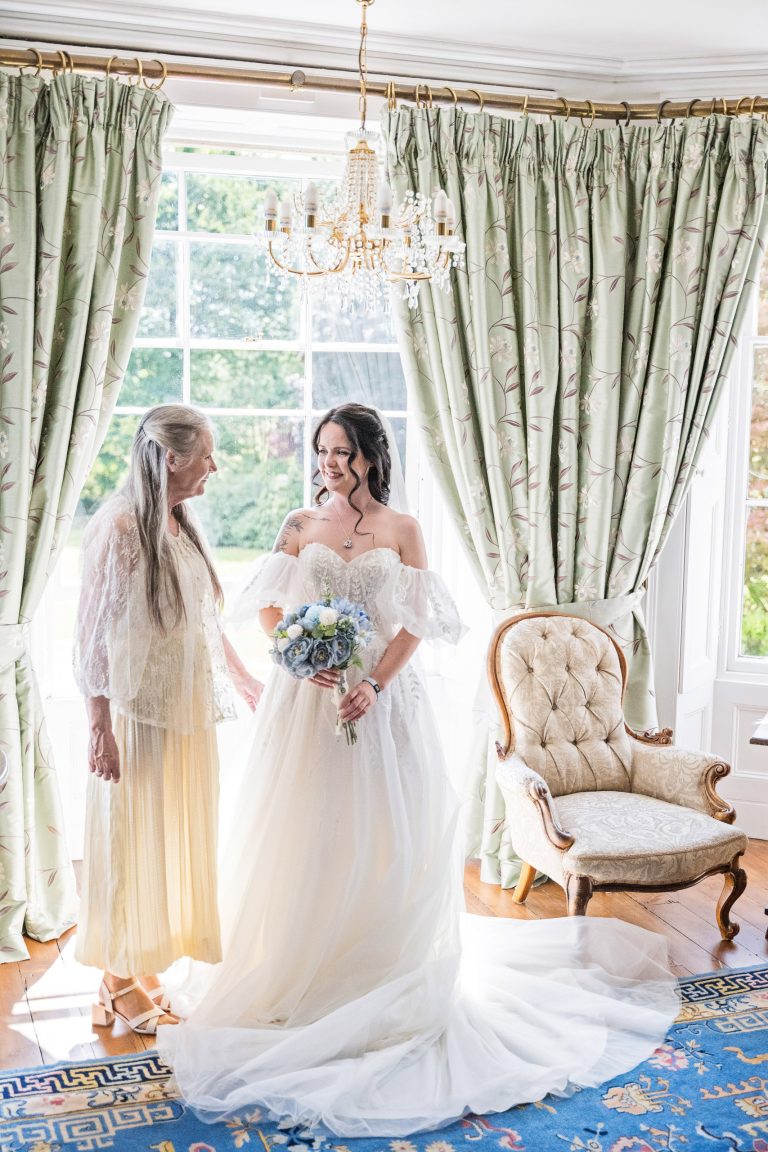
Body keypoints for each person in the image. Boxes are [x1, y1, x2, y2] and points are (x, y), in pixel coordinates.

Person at [157, 403, 678, 1136]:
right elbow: (270, 609)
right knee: (303, 833)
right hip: (305, 706)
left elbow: (416, 627)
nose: (330, 464)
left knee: (378, 835)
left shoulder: (403, 531)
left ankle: (377, 972)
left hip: (378, 704)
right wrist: (299, 654)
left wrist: (373, 683)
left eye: (342, 451)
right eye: (322, 451)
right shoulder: (298, 525)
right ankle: (294, 970)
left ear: (371, 455)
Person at [74, 403, 263, 1036]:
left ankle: (144, 966)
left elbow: (201, 620)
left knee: (170, 839)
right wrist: (98, 726)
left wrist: (240, 676)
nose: (215, 466)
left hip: (183, 713)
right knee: (132, 841)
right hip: (134, 713)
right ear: (171, 458)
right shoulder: (119, 528)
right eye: (207, 454)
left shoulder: (179, 522)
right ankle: (115, 981)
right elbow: (92, 636)